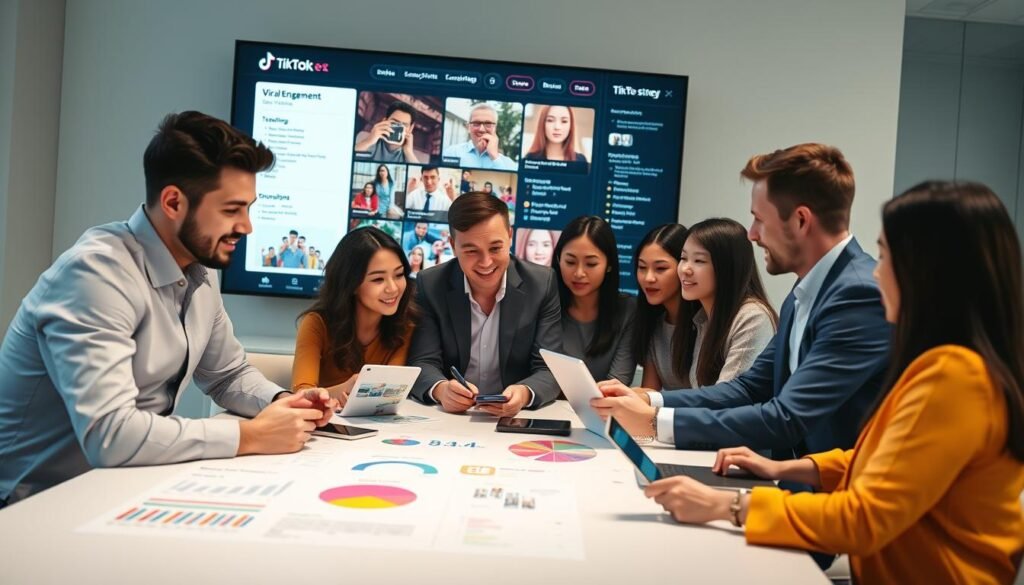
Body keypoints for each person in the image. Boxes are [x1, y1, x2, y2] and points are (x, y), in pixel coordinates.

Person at [642, 181, 1024, 585]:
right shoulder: (947, 364)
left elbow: (863, 517)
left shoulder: (956, 376)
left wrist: (728, 505)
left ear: (926, 271)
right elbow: (880, 459)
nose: (877, 271)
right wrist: (787, 466)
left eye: (886, 254)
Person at [0, 111, 336, 507]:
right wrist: (251, 436)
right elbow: (111, 435)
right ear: (174, 202)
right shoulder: (94, 275)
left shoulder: (198, 270)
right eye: (231, 210)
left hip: (122, 490)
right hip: (32, 508)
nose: (247, 227)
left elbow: (227, 374)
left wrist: (282, 403)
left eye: (249, 208)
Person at [594, 144, 891, 462]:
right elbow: (748, 388)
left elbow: (787, 417)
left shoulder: (857, 295)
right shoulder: (804, 292)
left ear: (801, 221)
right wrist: (652, 402)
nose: (752, 234)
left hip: (838, 496)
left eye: (759, 220)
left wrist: (655, 422)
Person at [407, 192, 562, 415]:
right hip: (451, 419)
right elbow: (422, 361)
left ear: (510, 237)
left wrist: (523, 393)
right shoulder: (430, 284)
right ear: (453, 245)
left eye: (495, 248)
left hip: (515, 418)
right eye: (471, 251)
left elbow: (549, 369)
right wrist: (441, 390)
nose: (486, 262)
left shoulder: (541, 283)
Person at [292, 227, 417, 405]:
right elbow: (301, 394)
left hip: (381, 427)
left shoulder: (405, 326)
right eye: (378, 279)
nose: (393, 288)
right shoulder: (316, 323)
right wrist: (343, 389)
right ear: (351, 284)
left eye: (399, 275)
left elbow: (386, 397)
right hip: (323, 425)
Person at [673, 218, 777, 387]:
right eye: (683, 258)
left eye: (699, 261)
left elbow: (726, 400)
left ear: (727, 267)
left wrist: (652, 407)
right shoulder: (701, 318)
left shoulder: (752, 317)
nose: (685, 269)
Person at [554, 216, 636, 384]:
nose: (579, 273)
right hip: (546, 407)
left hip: (604, 408)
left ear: (609, 265)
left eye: (590, 264)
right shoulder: (546, 305)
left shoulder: (628, 310)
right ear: (558, 260)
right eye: (570, 262)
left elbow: (617, 384)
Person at [631, 223, 690, 389]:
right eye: (642, 267)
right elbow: (649, 393)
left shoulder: (704, 323)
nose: (648, 278)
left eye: (660, 268)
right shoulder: (653, 324)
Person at [444, 103, 517, 171]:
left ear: (495, 128)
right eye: (476, 123)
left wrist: (494, 156)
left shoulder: (509, 164)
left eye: (488, 123)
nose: (481, 129)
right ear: (468, 127)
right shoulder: (451, 153)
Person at [353, 101, 419, 163]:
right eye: (394, 122)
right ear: (384, 121)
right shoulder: (366, 138)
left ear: (411, 128)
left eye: (404, 125)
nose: (399, 128)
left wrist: (409, 152)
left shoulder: (410, 156)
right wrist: (369, 141)